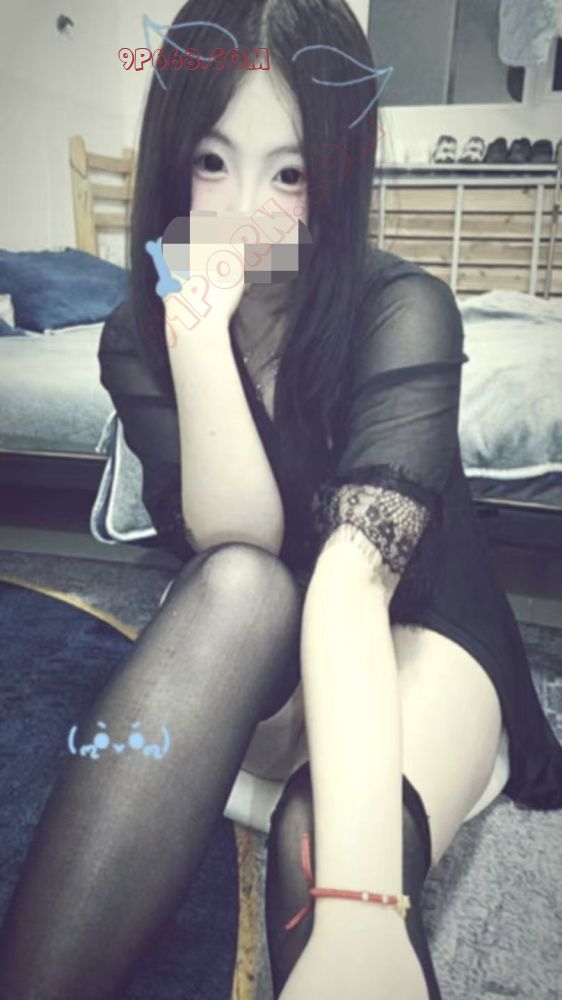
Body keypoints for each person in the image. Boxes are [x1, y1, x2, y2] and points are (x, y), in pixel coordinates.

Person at [1, 1, 561, 998]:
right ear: (173, 160)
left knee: (322, 845)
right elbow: (240, 543)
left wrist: (359, 908)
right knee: (235, 584)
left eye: (290, 173)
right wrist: (194, 338)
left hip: (414, 622)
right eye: (212, 162)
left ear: (334, 176)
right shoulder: (135, 337)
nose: (244, 212)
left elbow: (353, 579)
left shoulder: (400, 308)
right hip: (268, 626)